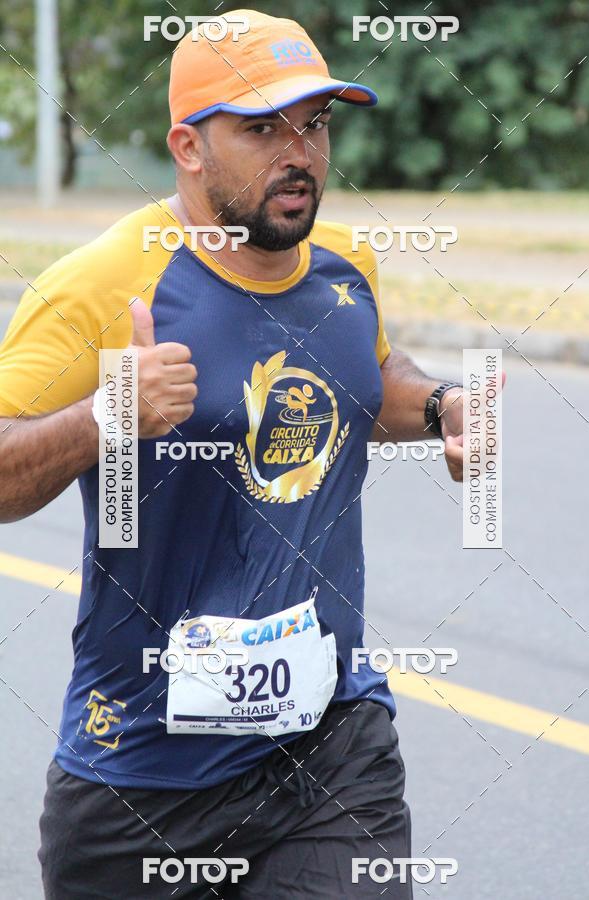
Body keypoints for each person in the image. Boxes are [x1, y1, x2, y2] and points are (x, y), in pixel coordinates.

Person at [0, 10, 465, 898]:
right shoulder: (102, 286)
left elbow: (364, 377)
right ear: (188, 146)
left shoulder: (344, 264)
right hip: (141, 771)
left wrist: (443, 405)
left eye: (315, 125)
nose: (301, 154)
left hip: (329, 746)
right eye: (262, 130)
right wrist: (107, 415)